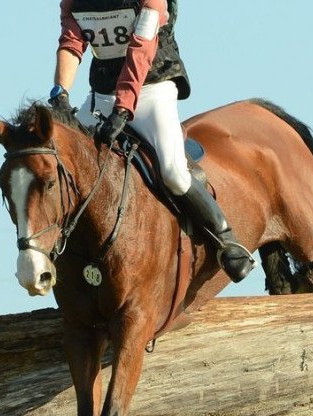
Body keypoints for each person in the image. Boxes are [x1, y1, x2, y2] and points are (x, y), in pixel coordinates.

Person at [48, 0, 255, 282]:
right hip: (103, 95)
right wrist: (60, 94)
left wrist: (124, 108)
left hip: (152, 88)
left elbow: (141, 49)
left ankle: (227, 241)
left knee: (173, 173)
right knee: (63, 161)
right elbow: (72, 43)